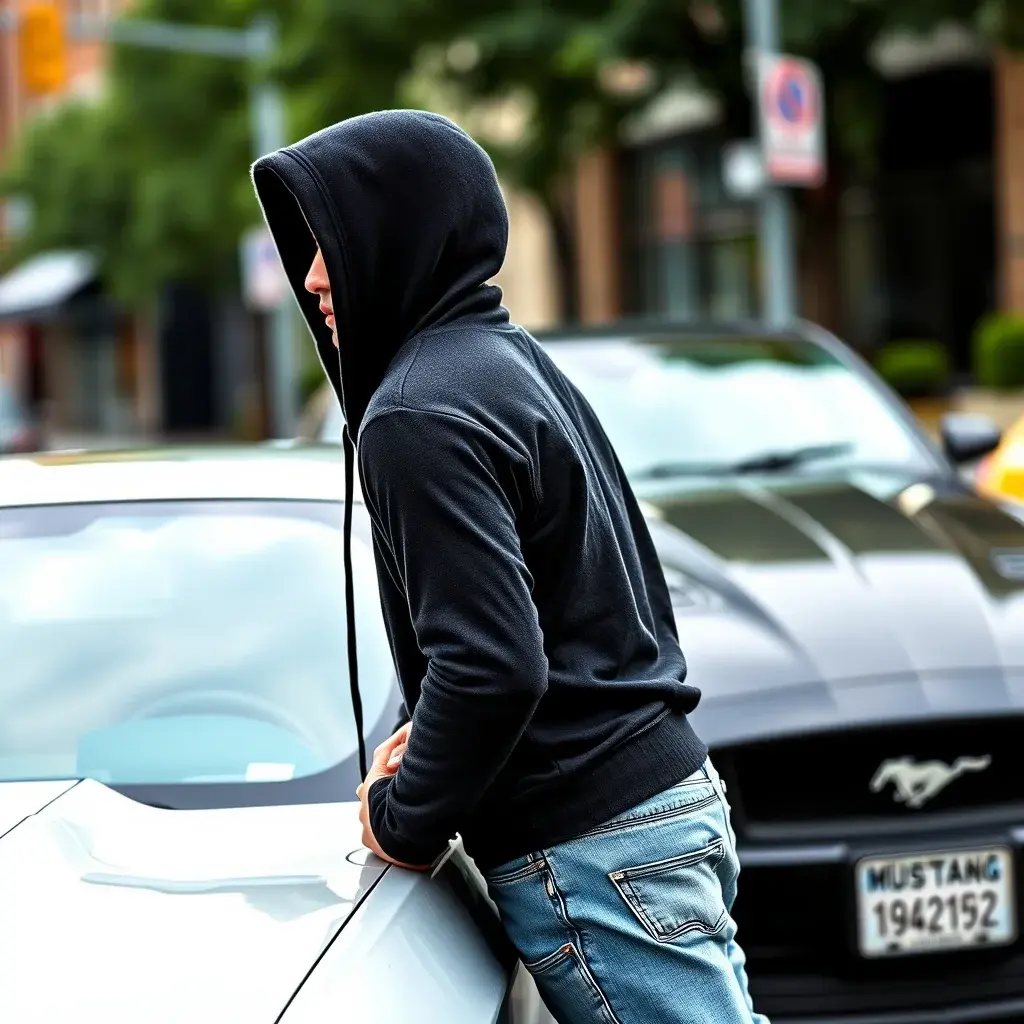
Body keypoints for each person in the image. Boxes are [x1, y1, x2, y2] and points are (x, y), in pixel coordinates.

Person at [252, 109, 767, 1024]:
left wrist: (404, 816)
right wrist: (425, 735)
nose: (313, 276)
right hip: (660, 802)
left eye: (330, 241)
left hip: (593, 842)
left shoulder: (416, 414)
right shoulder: (508, 364)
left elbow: (493, 664)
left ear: (401, 237)